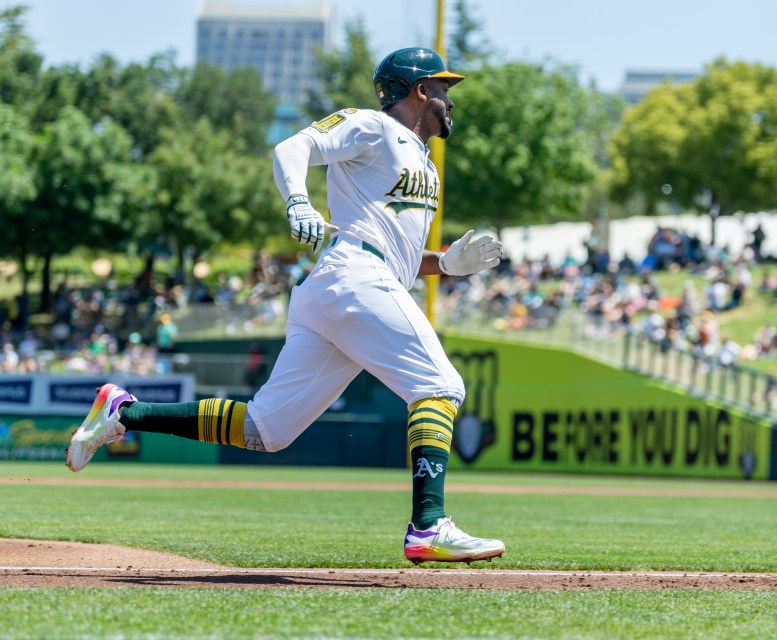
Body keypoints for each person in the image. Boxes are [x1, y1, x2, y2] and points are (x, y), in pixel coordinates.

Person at [66, 47, 505, 565]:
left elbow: (398, 253)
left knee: (264, 431)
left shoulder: (422, 161)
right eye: (443, 88)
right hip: (355, 277)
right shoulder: (374, 126)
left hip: (354, 284)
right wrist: (298, 200)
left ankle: (125, 412)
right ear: (419, 89)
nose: (449, 100)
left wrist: (448, 265)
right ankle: (429, 525)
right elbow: (293, 148)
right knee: (439, 386)